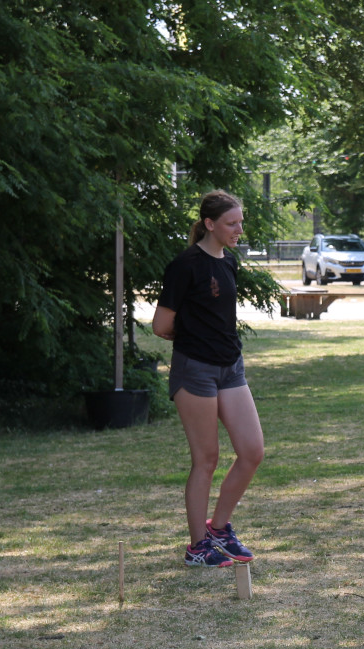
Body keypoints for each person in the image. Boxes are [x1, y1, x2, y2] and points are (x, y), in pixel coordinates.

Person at [153, 190, 264, 568]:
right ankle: (197, 547)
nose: (239, 229)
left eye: (240, 222)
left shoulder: (228, 262)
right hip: (195, 369)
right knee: (207, 459)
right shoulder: (185, 265)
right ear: (209, 224)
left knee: (252, 451)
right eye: (232, 223)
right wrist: (191, 337)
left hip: (231, 366)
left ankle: (219, 528)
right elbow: (161, 324)